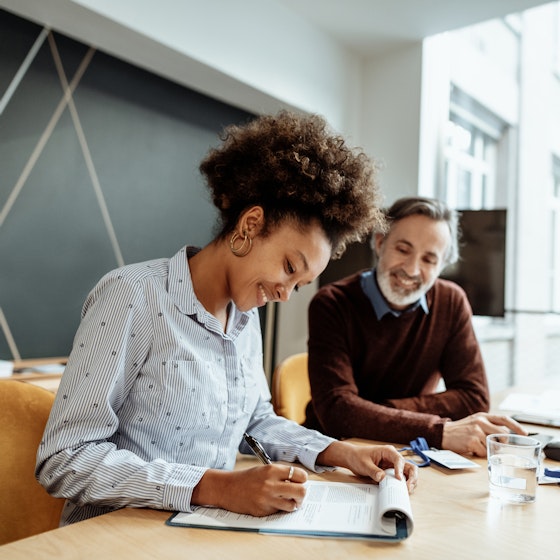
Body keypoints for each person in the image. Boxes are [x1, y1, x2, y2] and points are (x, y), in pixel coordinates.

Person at [36, 111, 417, 526]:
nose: (286, 295)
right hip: (114, 538)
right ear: (251, 224)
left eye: (301, 285)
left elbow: (256, 420)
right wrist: (216, 487)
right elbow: (64, 459)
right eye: (290, 267)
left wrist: (338, 451)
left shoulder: (244, 319)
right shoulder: (134, 296)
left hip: (198, 534)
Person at [304, 196, 526, 456]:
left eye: (429, 260)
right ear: (379, 243)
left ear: (442, 266)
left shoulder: (451, 301)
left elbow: (473, 399)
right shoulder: (332, 304)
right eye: (403, 249)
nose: (411, 269)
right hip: (337, 452)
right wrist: (437, 430)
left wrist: (370, 410)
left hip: (410, 451)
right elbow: (337, 412)